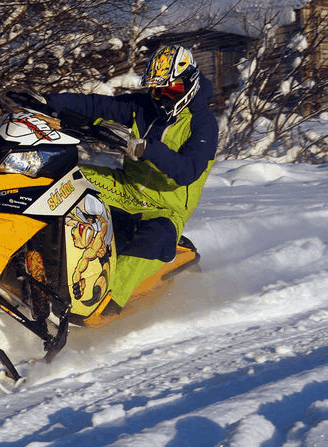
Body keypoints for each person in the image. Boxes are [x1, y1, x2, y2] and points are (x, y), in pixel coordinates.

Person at [13, 44, 219, 309]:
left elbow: (188, 170)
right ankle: (26, 251)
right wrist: (48, 102)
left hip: (165, 206)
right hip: (125, 186)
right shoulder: (144, 107)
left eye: (171, 89)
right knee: (61, 176)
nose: (162, 97)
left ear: (189, 83)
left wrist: (146, 149)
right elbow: (97, 105)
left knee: (155, 239)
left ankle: (109, 302)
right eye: (157, 90)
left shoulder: (203, 124)